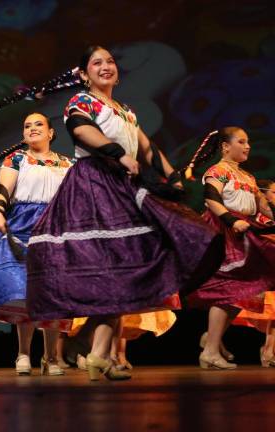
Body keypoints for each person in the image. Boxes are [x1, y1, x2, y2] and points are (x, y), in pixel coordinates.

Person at [26, 46, 224, 381]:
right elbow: (80, 130)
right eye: (96, 63)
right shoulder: (82, 101)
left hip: (121, 186)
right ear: (85, 74)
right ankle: (90, 346)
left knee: (125, 271)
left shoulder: (126, 110)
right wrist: (117, 153)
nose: (106, 67)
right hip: (94, 187)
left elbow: (146, 146)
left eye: (110, 62)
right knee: (114, 269)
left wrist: (172, 175)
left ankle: (97, 355)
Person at [0, 113, 74, 376]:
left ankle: (51, 357)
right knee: (25, 291)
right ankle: (23, 353)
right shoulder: (17, 158)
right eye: (27, 126)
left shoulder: (68, 163)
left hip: (55, 227)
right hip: (23, 225)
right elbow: (4, 189)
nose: (32, 129)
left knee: (55, 292)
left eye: (38, 124)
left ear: (51, 132)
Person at [183, 129, 275, 369]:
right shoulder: (218, 171)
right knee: (228, 287)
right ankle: (211, 349)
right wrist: (231, 221)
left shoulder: (248, 176)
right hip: (225, 228)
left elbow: (262, 206)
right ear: (225, 146)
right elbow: (211, 198)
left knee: (243, 291)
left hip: (245, 228)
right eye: (241, 142)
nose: (248, 146)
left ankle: (211, 341)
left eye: (248, 142)